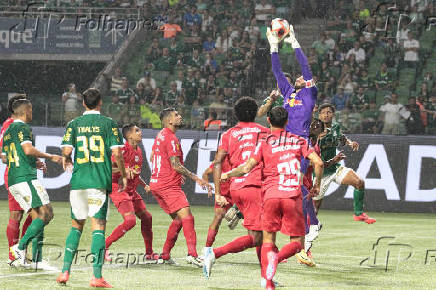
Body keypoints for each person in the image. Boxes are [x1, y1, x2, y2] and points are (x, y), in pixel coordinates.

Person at [221, 107, 324, 290]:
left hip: (269, 196)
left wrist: (228, 174)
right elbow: (319, 163)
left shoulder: (264, 142)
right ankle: (276, 258)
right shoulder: (299, 140)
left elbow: (246, 168)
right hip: (292, 195)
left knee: (268, 240)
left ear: (268, 120)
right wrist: (316, 185)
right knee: (297, 244)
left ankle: (268, 283)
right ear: (287, 122)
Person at [57, 88, 128, 288]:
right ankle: (97, 276)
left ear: (83, 104)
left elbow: (67, 150)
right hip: (98, 182)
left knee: (76, 226)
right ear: (100, 103)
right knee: (98, 228)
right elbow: (117, 154)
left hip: (78, 182)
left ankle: (64, 272)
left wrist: (66, 158)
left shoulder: (74, 124)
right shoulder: (108, 123)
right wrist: (123, 176)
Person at [266, 23, 319, 265]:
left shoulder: (310, 94)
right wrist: (274, 47)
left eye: (304, 78)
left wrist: (295, 43)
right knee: (282, 191)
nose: (300, 77)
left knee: (297, 189)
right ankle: (294, 244)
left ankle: (311, 229)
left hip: (299, 148)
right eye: (298, 77)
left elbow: (306, 68)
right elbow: (278, 73)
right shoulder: (288, 93)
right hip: (281, 146)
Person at [203, 97, 269, 280]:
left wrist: (217, 193)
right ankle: (214, 253)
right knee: (258, 237)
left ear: (236, 114)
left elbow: (217, 163)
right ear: (255, 113)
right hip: (255, 186)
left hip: (236, 188)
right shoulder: (265, 132)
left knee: (260, 234)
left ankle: (266, 278)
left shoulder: (228, 134)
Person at [4, 99, 63, 269]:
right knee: (46, 214)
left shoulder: (8, 131)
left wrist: (32, 162)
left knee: (39, 215)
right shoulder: (23, 127)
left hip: (15, 177)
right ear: (25, 111)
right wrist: (51, 156)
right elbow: (28, 150)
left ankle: (37, 260)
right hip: (25, 178)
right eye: (31, 110)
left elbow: (9, 156)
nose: (32, 113)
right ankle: (20, 248)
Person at [149, 108, 212, 266]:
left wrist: (173, 172)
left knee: (178, 220)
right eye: (176, 115)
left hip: (157, 183)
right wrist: (196, 178)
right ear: (169, 120)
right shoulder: (170, 138)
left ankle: (164, 255)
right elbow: (176, 165)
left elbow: (153, 156)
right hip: (167, 185)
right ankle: (192, 254)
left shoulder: (161, 134)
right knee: (188, 217)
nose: (180, 116)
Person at [104, 124, 159, 262]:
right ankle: (103, 246)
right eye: (137, 130)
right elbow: (107, 168)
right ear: (129, 135)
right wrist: (123, 171)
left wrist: (145, 184)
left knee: (147, 218)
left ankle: (149, 253)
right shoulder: (121, 150)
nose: (140, 132)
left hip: (131, 190)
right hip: (118, 188)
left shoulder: (139, 151)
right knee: (130, 221)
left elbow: (134, 172)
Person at [314, 103, 376, 224]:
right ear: (319, 115)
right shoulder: (315, 130)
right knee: (314, 210)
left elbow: (340, 137)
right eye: (323, 113)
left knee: (359, 182)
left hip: (335, 168)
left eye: (329, 112)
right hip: (319, 173)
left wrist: (350, 143)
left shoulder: (335, 127)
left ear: (333, 114)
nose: (326, 115)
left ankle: (358, 214)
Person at [0, 95, 33, 266]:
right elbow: (3, 155)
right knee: (31, 213)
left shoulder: (17, 125)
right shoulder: (10, 125)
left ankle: (18, 251)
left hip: (21, 173)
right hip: (16, 174)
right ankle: (16, 253)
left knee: (30, 214)